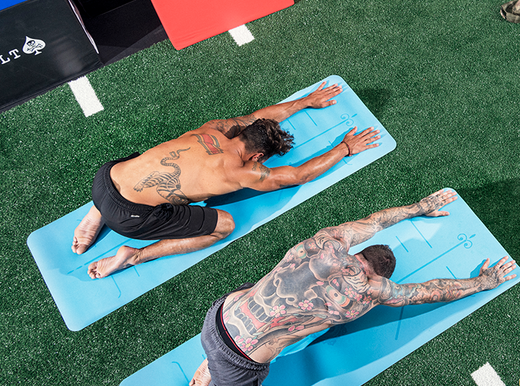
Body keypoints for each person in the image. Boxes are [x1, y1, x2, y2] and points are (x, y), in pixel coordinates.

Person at [187, 188, 518, 386]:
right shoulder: (372, 291)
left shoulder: (327, 242)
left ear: (359, 252)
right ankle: (211, 369)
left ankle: (208, 358)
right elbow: (431, 291)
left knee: (262, 289)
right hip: (237, 362)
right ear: (380, 276)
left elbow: (375, 222)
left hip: (217, 317)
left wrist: (420, 206)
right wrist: (482, 282)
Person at [72, 82, 381, 279]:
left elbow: (258, 116)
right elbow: (299, 175)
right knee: (224, 225)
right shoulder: (242, 172)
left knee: (145, 164)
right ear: (258, 156)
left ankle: (95, 212)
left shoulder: (215, 128)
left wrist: (305, 101)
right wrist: (345, 147)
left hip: (105, 178)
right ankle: (135, 256)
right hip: (127, 217)